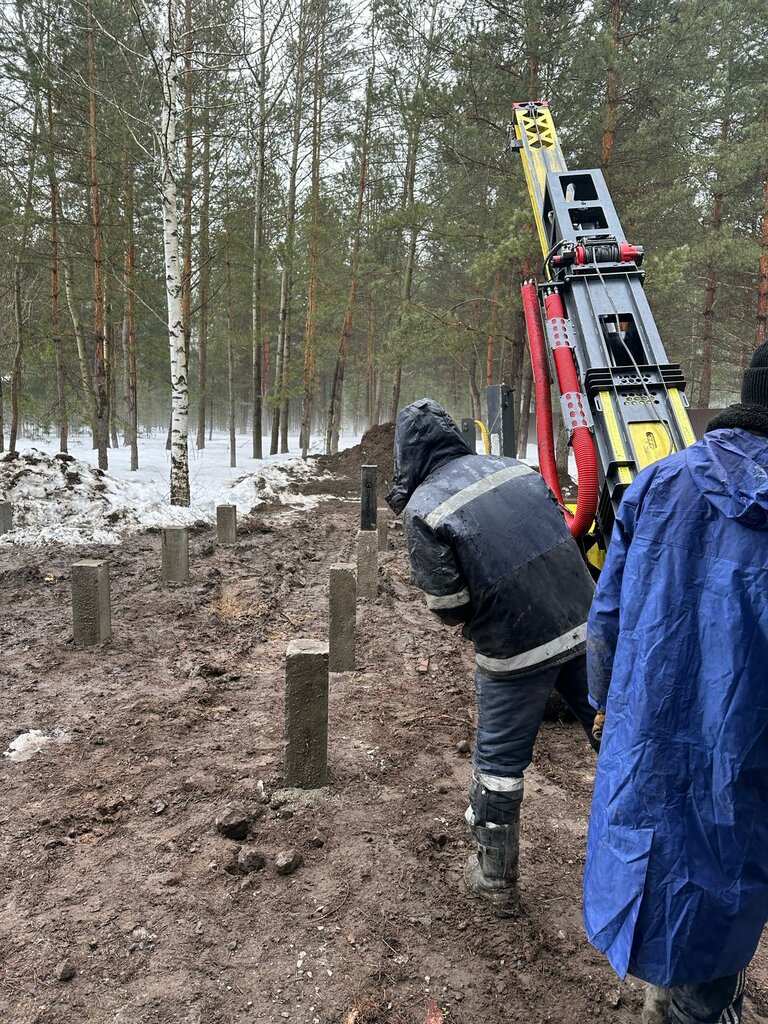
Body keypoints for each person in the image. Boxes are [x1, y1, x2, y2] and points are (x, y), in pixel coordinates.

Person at [583, 342, 768, 1024]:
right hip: (743, 753)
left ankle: (680, 998)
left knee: (654, 870)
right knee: (726, 890)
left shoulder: (658, 484)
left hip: (649, 735)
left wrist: (601, 707)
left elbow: (606, 615)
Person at [385, 398, 599, 915]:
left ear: (406, 456)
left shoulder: (424, 508)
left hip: (515, 645)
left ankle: (494, 878)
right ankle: (653, 846)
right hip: (587, 623)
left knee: (500, 763)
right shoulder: (514, 468)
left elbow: (449, 605)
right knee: (611, 727)